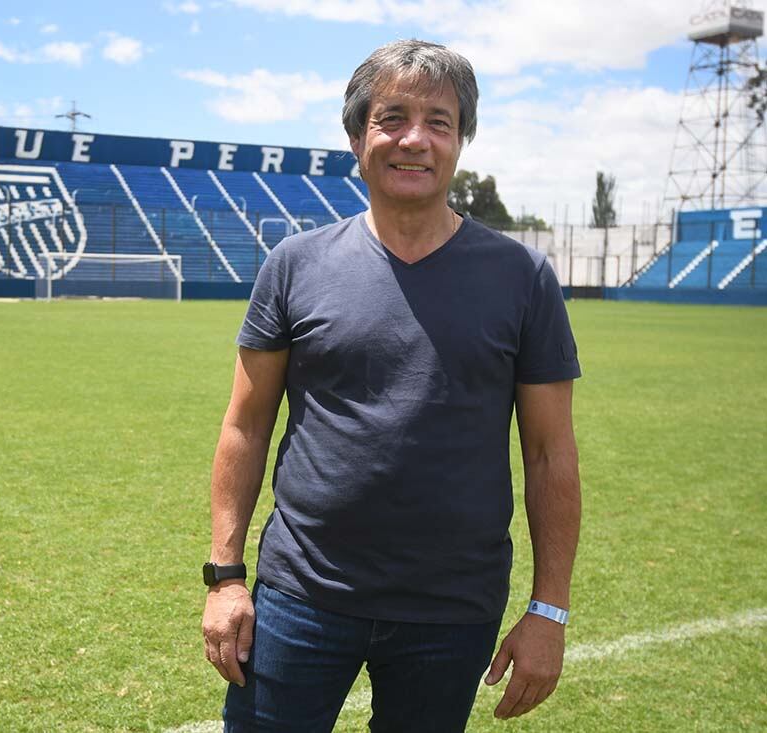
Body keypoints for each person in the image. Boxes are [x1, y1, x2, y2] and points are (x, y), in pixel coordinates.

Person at [201, 39, 581, 731]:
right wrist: (225, 577)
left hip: (452, 606)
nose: (416, 139)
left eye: (439, 121)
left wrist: (549, 609)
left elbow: (551, 454)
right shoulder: (294, 265)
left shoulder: (522, 278)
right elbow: (245, 424)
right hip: (302, 594)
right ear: (356, 136)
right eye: (393, 117)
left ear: (461, 140)